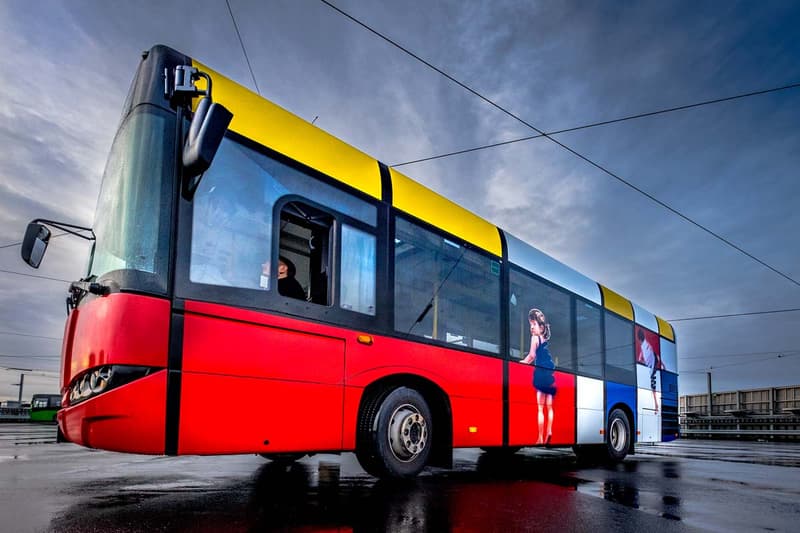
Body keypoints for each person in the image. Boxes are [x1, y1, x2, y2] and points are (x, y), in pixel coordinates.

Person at [521, 308, 556, 445]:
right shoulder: (544, 339)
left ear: (541, 327)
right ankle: (549, 431)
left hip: (541, 375)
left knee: (540, 408)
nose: (531, 327)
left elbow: (531, 356)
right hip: (550, 375)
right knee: (550, 407)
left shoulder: (535, 338)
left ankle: (540, 437)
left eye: (533, 324)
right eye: (530, 324)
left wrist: (523, 362)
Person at [637, 328, 659, 415]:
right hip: (652, 365)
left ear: (639, 339)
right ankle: (656, 406)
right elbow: (646, 353)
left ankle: (656, 406)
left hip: (652, 367)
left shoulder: (644, 345)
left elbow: (646, 354)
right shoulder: (645, 344)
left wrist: (641, 360)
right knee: (651, 388)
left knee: (652, 388)